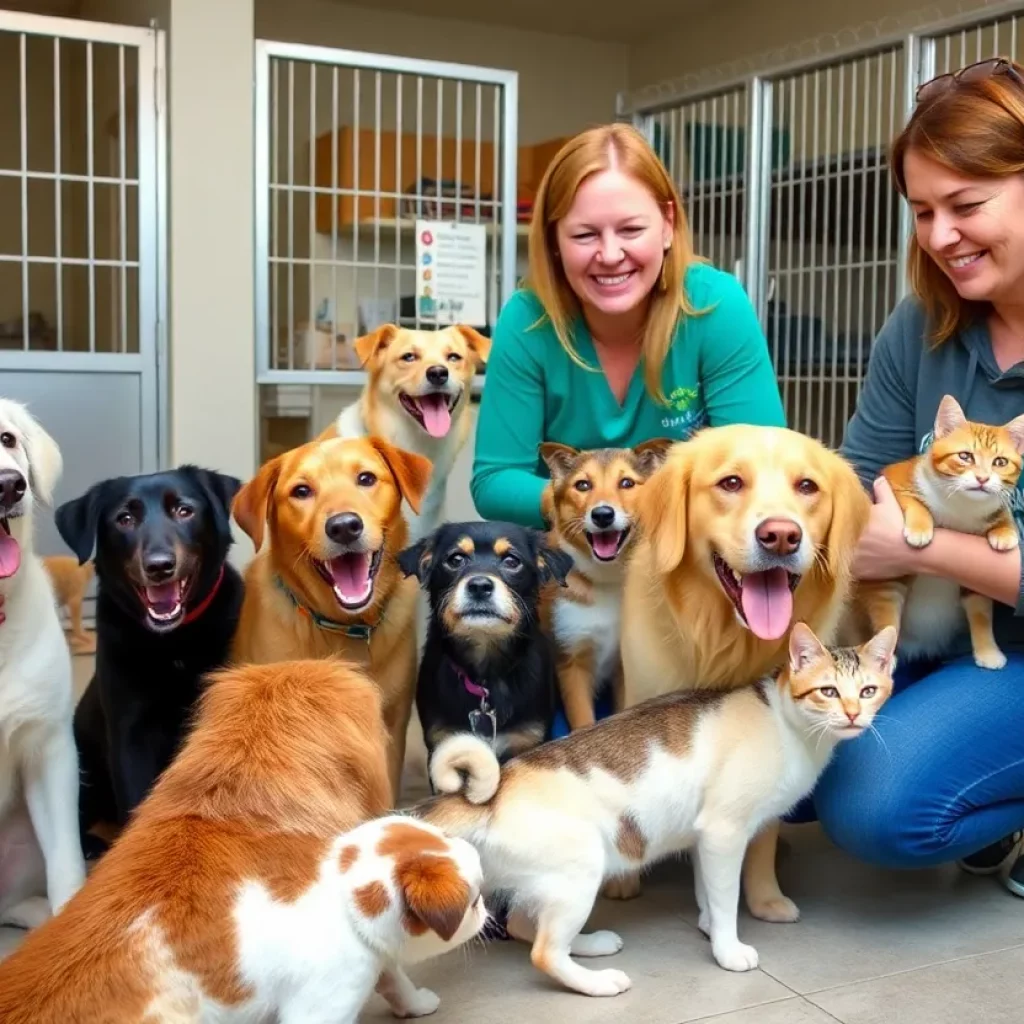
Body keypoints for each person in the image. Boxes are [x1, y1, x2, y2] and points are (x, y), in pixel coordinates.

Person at [809, 57, 1024, 897]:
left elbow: (887, 531)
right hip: (940, 633)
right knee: (783, 753)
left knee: (875, 803)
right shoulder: (919, 325)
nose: (939, 237)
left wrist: (924, 551)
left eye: (966, 206)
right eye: (923, 211)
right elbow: (855, 489)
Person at [470, 123, 786, 531]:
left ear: (667, 224)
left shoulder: (716, 305)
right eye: (584, 234)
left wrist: (633, 505)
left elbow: (763, 460)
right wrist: (592, 507)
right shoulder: (528, 319)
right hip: (571, 563)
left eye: (631, 230)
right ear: (553, 240)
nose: (610, 253)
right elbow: (494, 481)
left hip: (683, 552)